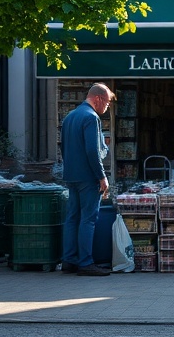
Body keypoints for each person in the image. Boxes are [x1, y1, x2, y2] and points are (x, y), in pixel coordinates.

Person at [60, 83, 115, 276]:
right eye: (107, 102)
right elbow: (92, 151)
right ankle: (85, 262)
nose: (107, 107)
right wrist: (101, 176)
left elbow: (63, 148)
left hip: (71, 175)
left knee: (72, 217)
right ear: (98, 99)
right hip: (88, 176)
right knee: (88, 219)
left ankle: (69, 260)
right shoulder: (91, 118)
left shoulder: (69, 117)